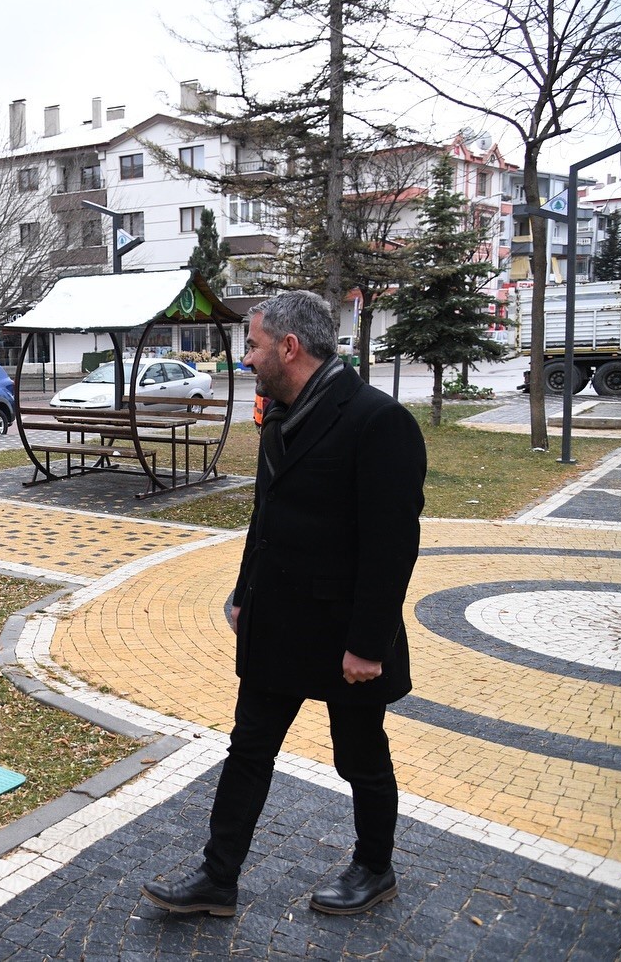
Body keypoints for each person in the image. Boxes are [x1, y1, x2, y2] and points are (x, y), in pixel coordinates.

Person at [142, 290, 426, 918]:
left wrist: (367, 645)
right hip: (278, 624)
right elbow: (264, 518)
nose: (246, 358)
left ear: (289, 348)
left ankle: (375, 868)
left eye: (253, 344)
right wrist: (245, 595)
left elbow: (392, 546)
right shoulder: (279, 416)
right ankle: (218, 879)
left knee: (361, 758)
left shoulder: (378, 422)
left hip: (343, 632)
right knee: (249, 750)